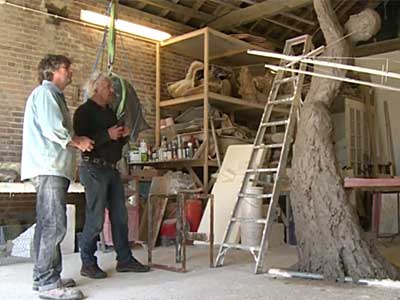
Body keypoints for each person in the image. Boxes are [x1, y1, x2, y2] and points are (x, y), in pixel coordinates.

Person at [21, 54, 94, 300]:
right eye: (66, 68)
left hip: (51, 168)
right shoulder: (46, 93)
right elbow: (53, 128)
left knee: (46, 224)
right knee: (54, 224)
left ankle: (44, 276)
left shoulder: (52, 95)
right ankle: (47, 283)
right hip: (48, 167)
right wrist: (78, 141)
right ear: (52, 71)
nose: (70, 72)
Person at [73, 72, 150, 279]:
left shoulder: (110, 112)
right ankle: (87, 263)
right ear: (96, 88)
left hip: (111, 168)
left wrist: (122, 138)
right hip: (93, 168)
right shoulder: (84, 112)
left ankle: (124, 260)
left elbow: (112, 142)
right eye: (109, 87)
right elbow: (82, 141)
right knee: (95, 219)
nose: (112, 91)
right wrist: (108, 135)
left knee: (120, 216)